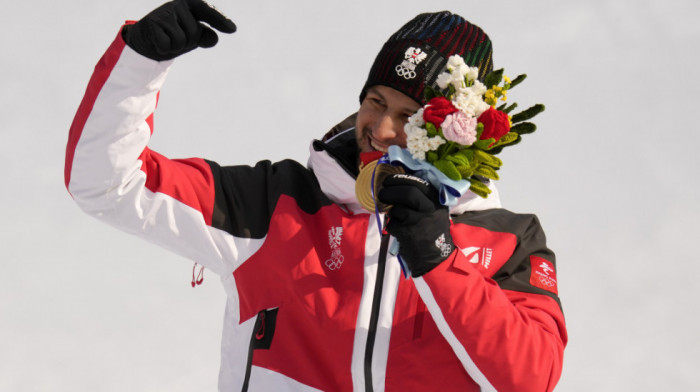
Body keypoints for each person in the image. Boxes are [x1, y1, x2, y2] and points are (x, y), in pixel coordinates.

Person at [64, 1, 567, 390]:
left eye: (411, 115)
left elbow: (529, 377)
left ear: (460, 132)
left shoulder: (507, 239)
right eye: (376, 101)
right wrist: (139, 63)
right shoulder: (279, 203)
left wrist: (437, 257)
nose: (382, 128)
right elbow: (107, 183)